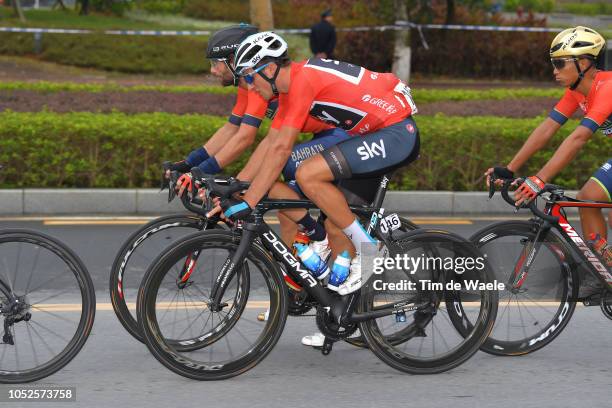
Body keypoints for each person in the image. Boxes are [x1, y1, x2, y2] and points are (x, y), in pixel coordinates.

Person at [216, 31, 420, 345]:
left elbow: (283, 149)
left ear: (269, 70)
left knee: (309, 174)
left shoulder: (302, 81)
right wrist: (241, 189)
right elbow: (272, 142)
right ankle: (340, 318)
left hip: (395, 133)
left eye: (248, 76)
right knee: (335, 224)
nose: (247, 84)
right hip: (372, 136)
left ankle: (367, 247)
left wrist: (249, 200)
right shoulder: (288, 89)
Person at [485, 26, 611, 267]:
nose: (554, 70)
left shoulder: (607, 88)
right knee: (588, 199)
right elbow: (548, 128)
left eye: (560, 63)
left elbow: (579, 137)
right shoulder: (577, 92)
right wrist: (509, 169)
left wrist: (540, 179)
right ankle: (605, 274)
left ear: (583, 62)